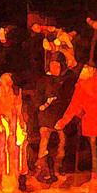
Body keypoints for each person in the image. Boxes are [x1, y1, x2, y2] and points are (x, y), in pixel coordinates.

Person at [54, 64, 97, 186]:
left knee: (95, 150)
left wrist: (64, 120)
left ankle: (96, 176)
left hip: (92, 120)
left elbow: (74, 106)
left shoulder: (81, 87)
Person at [32, 54, 76, 183]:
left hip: (59, 120)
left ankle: (56, 170)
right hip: (46, 119)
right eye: (53, 65)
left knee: (61, 146)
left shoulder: (65, 81)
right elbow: (38, 102)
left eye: (57, 65)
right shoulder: (44, 81)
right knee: (44, 146)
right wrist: (46, 103)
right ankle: (42, 171)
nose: (55, 68)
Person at [0, 73, 28, 192]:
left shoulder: (15, 96)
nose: (5, 87)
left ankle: (18, 181)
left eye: (8, 84)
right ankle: (2, 180)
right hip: (3, 130)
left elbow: (20, 113)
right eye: (3, 84)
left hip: (14, 128)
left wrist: (21, 126)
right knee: (2, 153)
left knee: (18, 154)